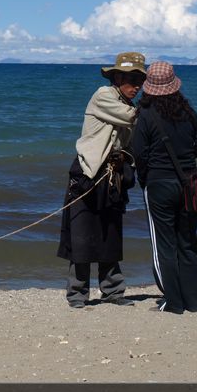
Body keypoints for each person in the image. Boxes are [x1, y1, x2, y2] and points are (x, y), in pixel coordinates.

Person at [56, 52, 146, 309]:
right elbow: (133, 118)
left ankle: (113, 291)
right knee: (82, 236)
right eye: (132, 79)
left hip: (112, 176)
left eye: (140, 80)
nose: (137, 86)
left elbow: (129, 140)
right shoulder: (104, 96)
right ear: (118, 77)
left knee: (110, 234)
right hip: (88, 174)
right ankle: (77, 295)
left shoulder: (124, 102)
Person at [131, 61, 197, 314]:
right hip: (189, 183)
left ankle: (173, 302)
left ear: (148, 87)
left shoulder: (144, 115)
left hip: (158, 184)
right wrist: (186, 157)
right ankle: (196, 302)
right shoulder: (187, 111)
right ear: (174, 85)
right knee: (187, 243)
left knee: (163, 245)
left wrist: (146, 175)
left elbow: (139, 154)